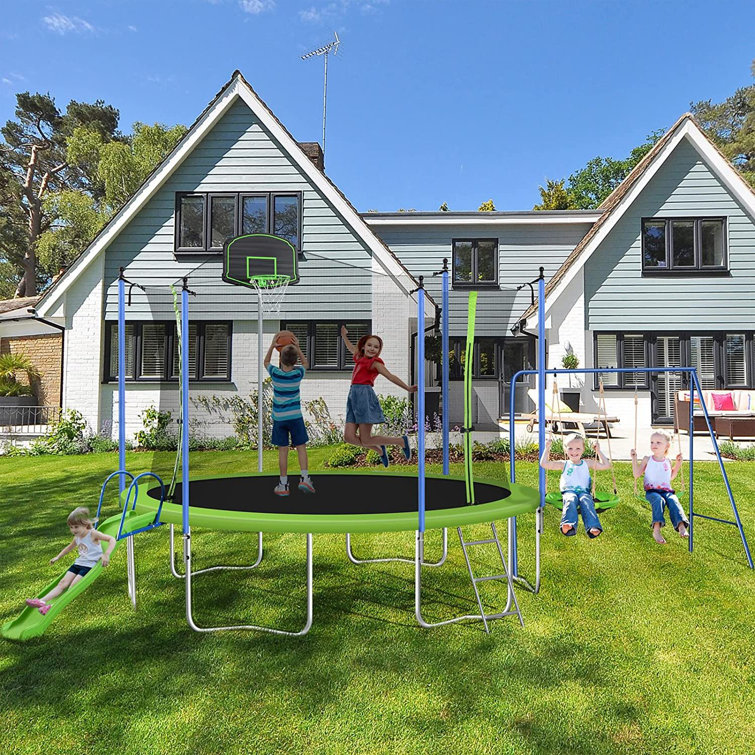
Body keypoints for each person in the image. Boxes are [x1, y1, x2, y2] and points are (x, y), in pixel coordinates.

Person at [340, 326, 416, 467]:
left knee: (366, 439)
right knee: (349, 437)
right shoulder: (359, 358)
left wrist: (407, 388)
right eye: (369, 345)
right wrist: (344, 336)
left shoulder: (375, 363)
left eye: (376, 347)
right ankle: (380, 450)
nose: (372, 348)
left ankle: (400, 441)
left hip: (364, 397)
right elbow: (351, 348)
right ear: (363, 347)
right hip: (353, 397)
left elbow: (391, 377)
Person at [25, 507, 116, 615]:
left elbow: (112, 539)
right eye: (71, 527)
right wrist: (58, 557)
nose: (73, 530)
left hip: (89, 566)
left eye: (76, 527)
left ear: (85, 524)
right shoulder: (77, 537)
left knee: (73, 587)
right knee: (62, 583)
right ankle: (41, 601)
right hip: (78, 563)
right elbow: (69, 548)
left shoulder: (93, 534)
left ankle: (52, 607)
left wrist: (106, 554)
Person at [264, 331, 315, 496]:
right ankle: (305, 478)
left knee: (283, 450)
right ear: (295, 361)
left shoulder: (276, 374)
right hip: (295, 417)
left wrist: (272, 345)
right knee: (301, 447)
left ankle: (284, 485)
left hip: (279, 419)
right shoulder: (297, 374)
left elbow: (265, 362)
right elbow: (306, 364)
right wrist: (298, 348)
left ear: (280, 359)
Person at [540, 433, 612, 538]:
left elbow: (606, 465)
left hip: (584, 492)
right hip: (568, 491)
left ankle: (592, 526)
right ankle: (568, 524)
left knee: (586, 500)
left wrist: (598, 451)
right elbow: (544, 464)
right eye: (570, 448)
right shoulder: (564, 464)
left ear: (583, 449)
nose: (574, 452)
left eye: (578, 448)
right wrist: (547, 448)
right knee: (571, 499)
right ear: (565, 450)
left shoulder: (587, 463)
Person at [631, 430, 689, 545]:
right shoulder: (647, 459)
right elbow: (636, 474)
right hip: (652, 491)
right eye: (652, 442)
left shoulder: (668, 461)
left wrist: (678, 464)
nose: (654, 445)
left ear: (667, 446)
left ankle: (681, 525)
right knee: (659, 500)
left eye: (658, 442)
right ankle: (656, 530)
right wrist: (634, 459)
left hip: (666, 491)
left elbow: (671, 477)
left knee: (673, 499)